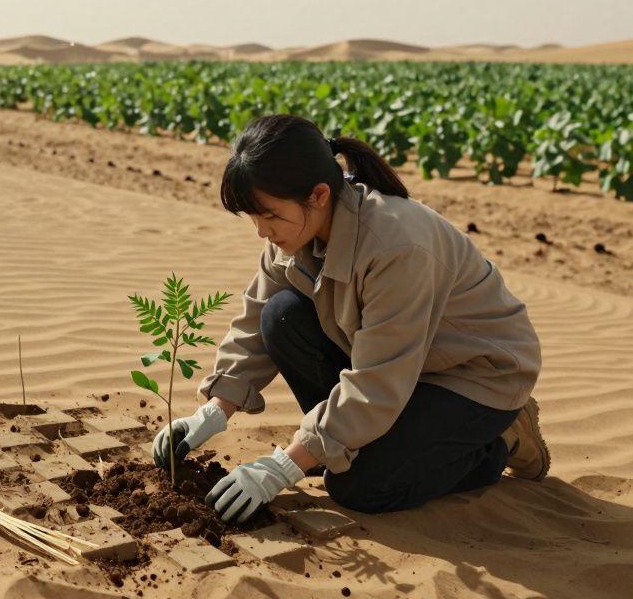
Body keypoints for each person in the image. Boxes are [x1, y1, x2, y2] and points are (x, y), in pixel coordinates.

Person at [151, 114, 549, 523]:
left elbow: (379, 380)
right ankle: (338, 443)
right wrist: (216, 409)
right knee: (281, 317)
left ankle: (497, 443)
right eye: (253, 217)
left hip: (474, 376)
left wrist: (285, 464)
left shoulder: (396, 247)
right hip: (402, 368)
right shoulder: (294, 231)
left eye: (269, 216)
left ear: (319, 195)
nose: (261, 231)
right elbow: (254, 322)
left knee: (360, 487)